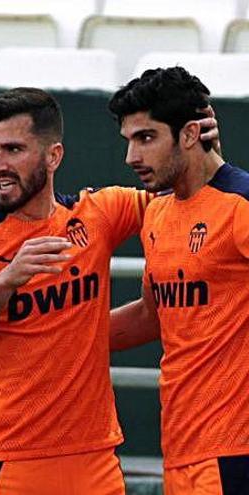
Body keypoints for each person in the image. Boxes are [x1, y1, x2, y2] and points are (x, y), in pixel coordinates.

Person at [0, 87, 174, 494]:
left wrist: (203, 145)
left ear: (53, 155)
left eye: (12, 149)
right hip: (14, 465)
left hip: (97, 461)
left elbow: (186, 198)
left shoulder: (98, 214)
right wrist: (8, 281)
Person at [109, 67, 249, 494]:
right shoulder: (158, 212)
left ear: (190, 134)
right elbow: (156, 315)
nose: (132, 157)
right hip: (181, 449)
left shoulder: (241, 206)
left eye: (146, 138)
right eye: (129, 141)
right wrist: (55, 336)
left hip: (236, 452)